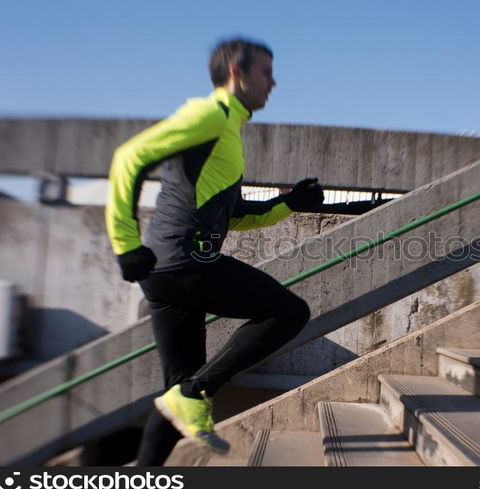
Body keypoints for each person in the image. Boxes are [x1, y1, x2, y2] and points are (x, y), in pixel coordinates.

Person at [105, 37, 324, 466]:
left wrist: (289, 204)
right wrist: (125, 242)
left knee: (175, 397)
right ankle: (197, 392)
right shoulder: (211, 113)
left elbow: (234, 216)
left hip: (168, 273)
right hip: (183, 261)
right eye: (266, 71)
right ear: (237, 74)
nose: (274, 82)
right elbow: (128, 156)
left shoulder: (228, 130)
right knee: (289, 312)